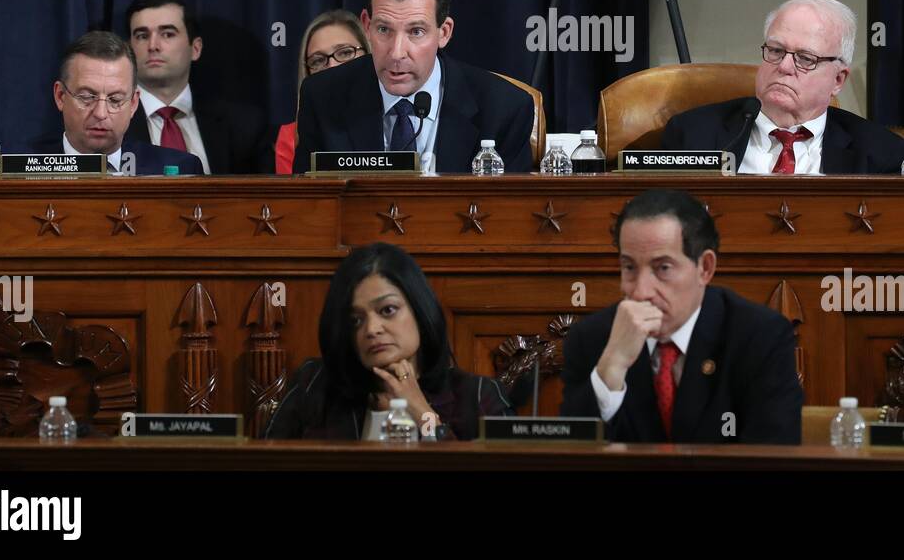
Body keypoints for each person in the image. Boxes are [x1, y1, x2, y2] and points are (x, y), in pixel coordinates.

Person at [560, 189, 802, 443]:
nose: (641, 292)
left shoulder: (759, 337)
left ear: (705, 268)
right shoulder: (592, 339)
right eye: (629, 267)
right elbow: (570, 458)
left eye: (663, 268)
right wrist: (612, 367)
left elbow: (774, 456)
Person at [292, 0, 534, 173]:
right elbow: (309, 209)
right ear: (366, 25)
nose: (397, 53)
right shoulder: (323, 98)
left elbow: (508, 217)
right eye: (384, 29)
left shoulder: (503, 109)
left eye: (416, 31)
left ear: (444, 32)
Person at [265, 242, 512, 440]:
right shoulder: (314, 385)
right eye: (356, 320)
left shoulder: (477, 397)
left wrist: (421, 412)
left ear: (419, 310)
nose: (371, 329)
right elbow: (262, 463)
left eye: (387, 310)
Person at [661, 0, 904, 174]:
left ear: (838, 80)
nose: (784, 67)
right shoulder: (692, 135)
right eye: (776, 50)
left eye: (805, 59)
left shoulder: (880, 153)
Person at [123, 0, 268, 174]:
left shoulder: (243, 126)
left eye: (167, 34)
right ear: (128, 49)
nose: (153, 46)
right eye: (142, 36)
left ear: (196, 48)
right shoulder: (109, 123)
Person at [39, 31, 202, 175]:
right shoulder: (17, 168)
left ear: (133, 103)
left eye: (115, 99)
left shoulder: (183, 169)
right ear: (60, 96)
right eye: (87, 97)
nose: (101, 113)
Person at [269, 10, 368, 174]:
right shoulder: (291, 137)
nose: (332, 67)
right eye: (318, 60)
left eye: (345, 53)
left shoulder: (397, 119)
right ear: (307, 73)